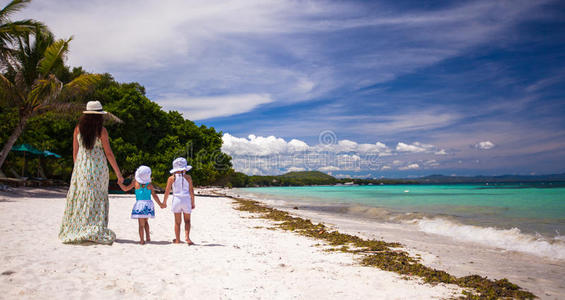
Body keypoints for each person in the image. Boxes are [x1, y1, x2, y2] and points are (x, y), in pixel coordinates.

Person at [59, 101, 124, 245]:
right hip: (98, 168)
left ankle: (79, 228)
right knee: (96, 198)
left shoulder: (77, 129)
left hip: (81, 168)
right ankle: (94, 228)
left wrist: (78, 170)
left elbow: (75, 153)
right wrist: (118, 174)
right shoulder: (101, 131)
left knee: (81, 198)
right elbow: (108, 153)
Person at [118, 165, 164, 245]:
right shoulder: (149, 185)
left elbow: (125, 189)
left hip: (140, 205)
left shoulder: (135, 183)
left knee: (141, 225)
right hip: (148, 205)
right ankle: (148, 237)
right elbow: (155, 196)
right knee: (146, 222)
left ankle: (142, 240)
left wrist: (120, 184)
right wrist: (161, 204)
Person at [163, 157, 195, 245]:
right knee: (187, 221)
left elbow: (167, 191)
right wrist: (193, 202)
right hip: (186, 200)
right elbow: (191, 191)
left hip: (176, 200)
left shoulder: (171, 178)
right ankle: (187, 237)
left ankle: (177, 240)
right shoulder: (188, 177)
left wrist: (164, 202)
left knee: (177, 222)